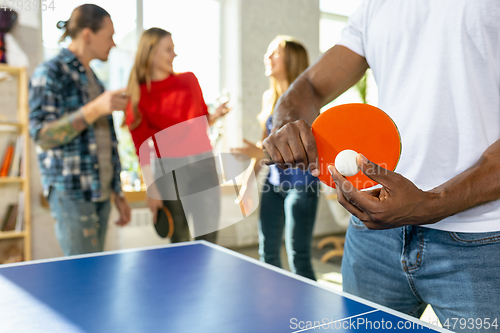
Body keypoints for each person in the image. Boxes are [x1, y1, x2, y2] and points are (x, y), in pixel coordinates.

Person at [262, 1, 500, 330]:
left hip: (483, 239)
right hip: (374, 235)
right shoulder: (376, 6)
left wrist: (432, 203)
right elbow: (310, 87)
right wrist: (287, 120)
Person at [29, 4, 131, 256]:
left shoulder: (94, 78)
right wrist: (94, 109)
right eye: (109, 36)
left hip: (101, 191)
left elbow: (107, 140)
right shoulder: (50, 72)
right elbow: (43, 136)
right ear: (88, 34)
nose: (113, 44)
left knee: (95, 276)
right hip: (72, 192)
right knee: (82, 279)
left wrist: (116, 191)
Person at [125, 27, 230, 243]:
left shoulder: (189, 80)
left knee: (209, 240)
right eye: (168, 50)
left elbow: (199, 122)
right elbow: (141, 147)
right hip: (168, 171)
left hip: (204, 164)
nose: (174, 54)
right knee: (179, 242)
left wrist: (215, 116)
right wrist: (151, 188)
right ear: (151, 53)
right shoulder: (138, 95)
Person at [232, 36, 319, 280]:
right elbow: (264, 148)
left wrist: (261, 153)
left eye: (274, 53)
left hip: (302, 187)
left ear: (291, 59)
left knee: (298, 257)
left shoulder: (307, 101)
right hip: (273, 185)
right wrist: (248, 183)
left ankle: (308, 313)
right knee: (267, 254)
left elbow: (302, 150)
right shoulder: (268, 99)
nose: (267, 57)